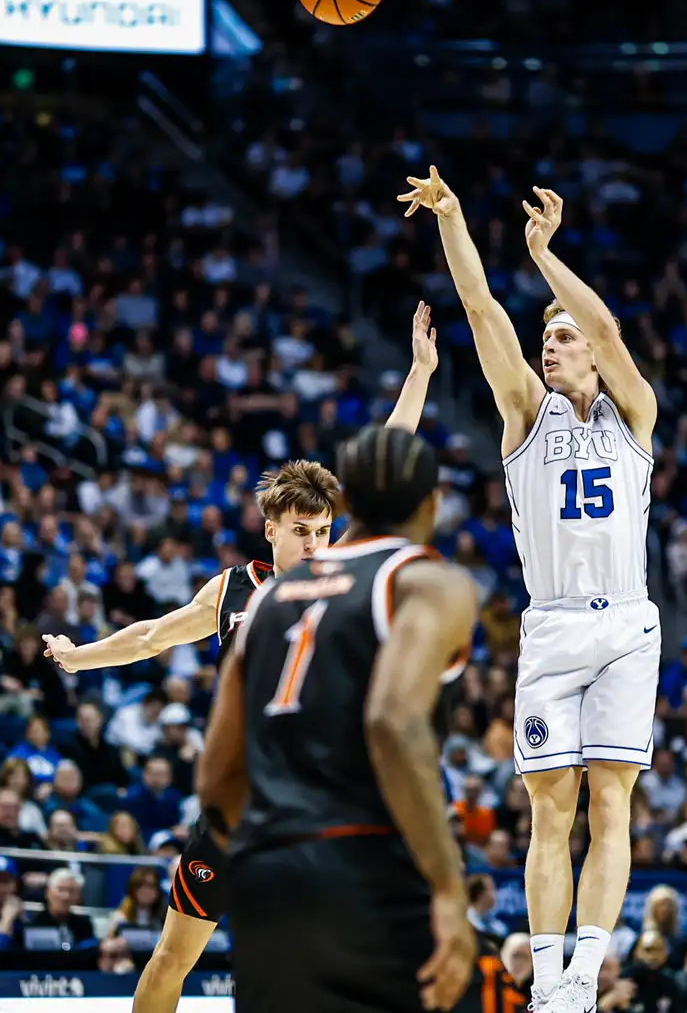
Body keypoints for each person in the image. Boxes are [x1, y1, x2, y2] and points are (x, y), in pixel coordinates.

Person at [47, 310, 438, 1013]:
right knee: (173, 957)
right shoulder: (231, 590)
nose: (316, 544)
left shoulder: (342, 574)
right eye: (302, 532)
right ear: (271, 529)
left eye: (324, 531)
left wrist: (420, 373)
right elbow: (153, 636)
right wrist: (80, 659)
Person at [404, 167, 659, 1012]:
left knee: (612, 804)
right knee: (552, 811)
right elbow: (481, 309)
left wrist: (547, 257)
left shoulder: (635, 413)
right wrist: (452, 217)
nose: (550, 346)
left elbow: (609, 328)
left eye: (562, 337)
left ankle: (586, 974)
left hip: (627, 624)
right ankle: (548, 982)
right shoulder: (524, 410)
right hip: (551, 627)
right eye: (546, 337)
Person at [200, 425, 481, 1013]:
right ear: (432, 505)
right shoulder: (426, 582)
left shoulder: (267, 598)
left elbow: (218, 774)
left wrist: (258, 853)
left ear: (346, 503)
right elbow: (392, 723)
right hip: (367, 863)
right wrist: (447, 887)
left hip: (267, 869)